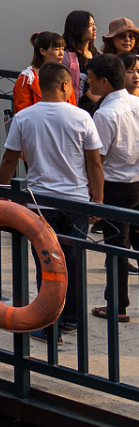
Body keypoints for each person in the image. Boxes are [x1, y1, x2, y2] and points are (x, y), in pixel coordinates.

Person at [0, 60, 106, 340]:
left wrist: (1, 191)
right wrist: (98, 199)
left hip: (39, 204)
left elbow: (10, 158)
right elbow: (94, 164)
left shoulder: (24, 117)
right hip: (76, 203)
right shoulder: (82, 117)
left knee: (46, 265)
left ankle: (50, 325)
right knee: (72, 263)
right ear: (64, 85)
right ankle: (71, 319)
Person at [84, 56, 138, 323]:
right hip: (137, 182)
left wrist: (95, 196)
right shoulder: (137, 103)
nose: (88, 81)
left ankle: (117, 306)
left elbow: (97, 160)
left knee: (116, 247)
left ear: (104, 81)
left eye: (91, 77)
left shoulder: (105, 113)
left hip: (116, 187)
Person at [14, 32, 75, 111]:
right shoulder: (27, 78)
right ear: (42, 51)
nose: (61, 53)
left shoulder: (63, 74)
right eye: (56, 49)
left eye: (62, 49)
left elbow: (72, 105)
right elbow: (23, 111)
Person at [63, 10, 98, 106]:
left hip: (95, 109)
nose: (94, 28)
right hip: (74, 107)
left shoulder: (96, 54)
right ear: (78, 28)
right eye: (90, 25)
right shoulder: (66, 55)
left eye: (94, 24)